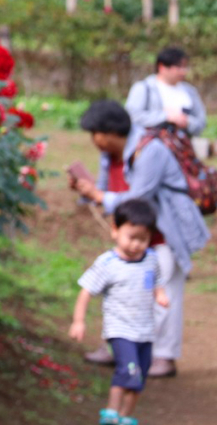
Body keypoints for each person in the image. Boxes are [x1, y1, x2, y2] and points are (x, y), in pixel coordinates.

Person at [72, 100, 210, 378]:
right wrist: (87, 191)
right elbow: (105, 191)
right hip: (132, 236)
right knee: (123, 291)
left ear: (110, 131)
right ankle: (120, 347)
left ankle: (164, 356)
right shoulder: (108, 154)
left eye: (95, 133)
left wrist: (99, 197)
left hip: (165, 234)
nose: (93, 141)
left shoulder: (150, 150)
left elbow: (139, 198)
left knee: (165, 293)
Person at [70, 199, 169, 425]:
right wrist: (78, 321)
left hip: (145, 331)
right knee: (128, 371)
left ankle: (126, 416)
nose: (136, 244)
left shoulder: (151, 259)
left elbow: (157, 280)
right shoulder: (107, 263)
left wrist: (160, 294)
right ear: (115, 231)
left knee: (140, 376)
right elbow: (86, 292)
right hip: (119, 330)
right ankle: (111, 412)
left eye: (143, 239)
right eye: (131, 237)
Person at [125, 47, 206, 137]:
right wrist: (166, 117)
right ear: (162, 67)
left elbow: (201, 122)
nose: (183, 72)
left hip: (182, 148)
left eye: (185, 67)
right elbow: (131, 117)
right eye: (179, 67)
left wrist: (187, 121)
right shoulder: (144, 88)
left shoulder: (190, 91)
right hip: (150, 147)